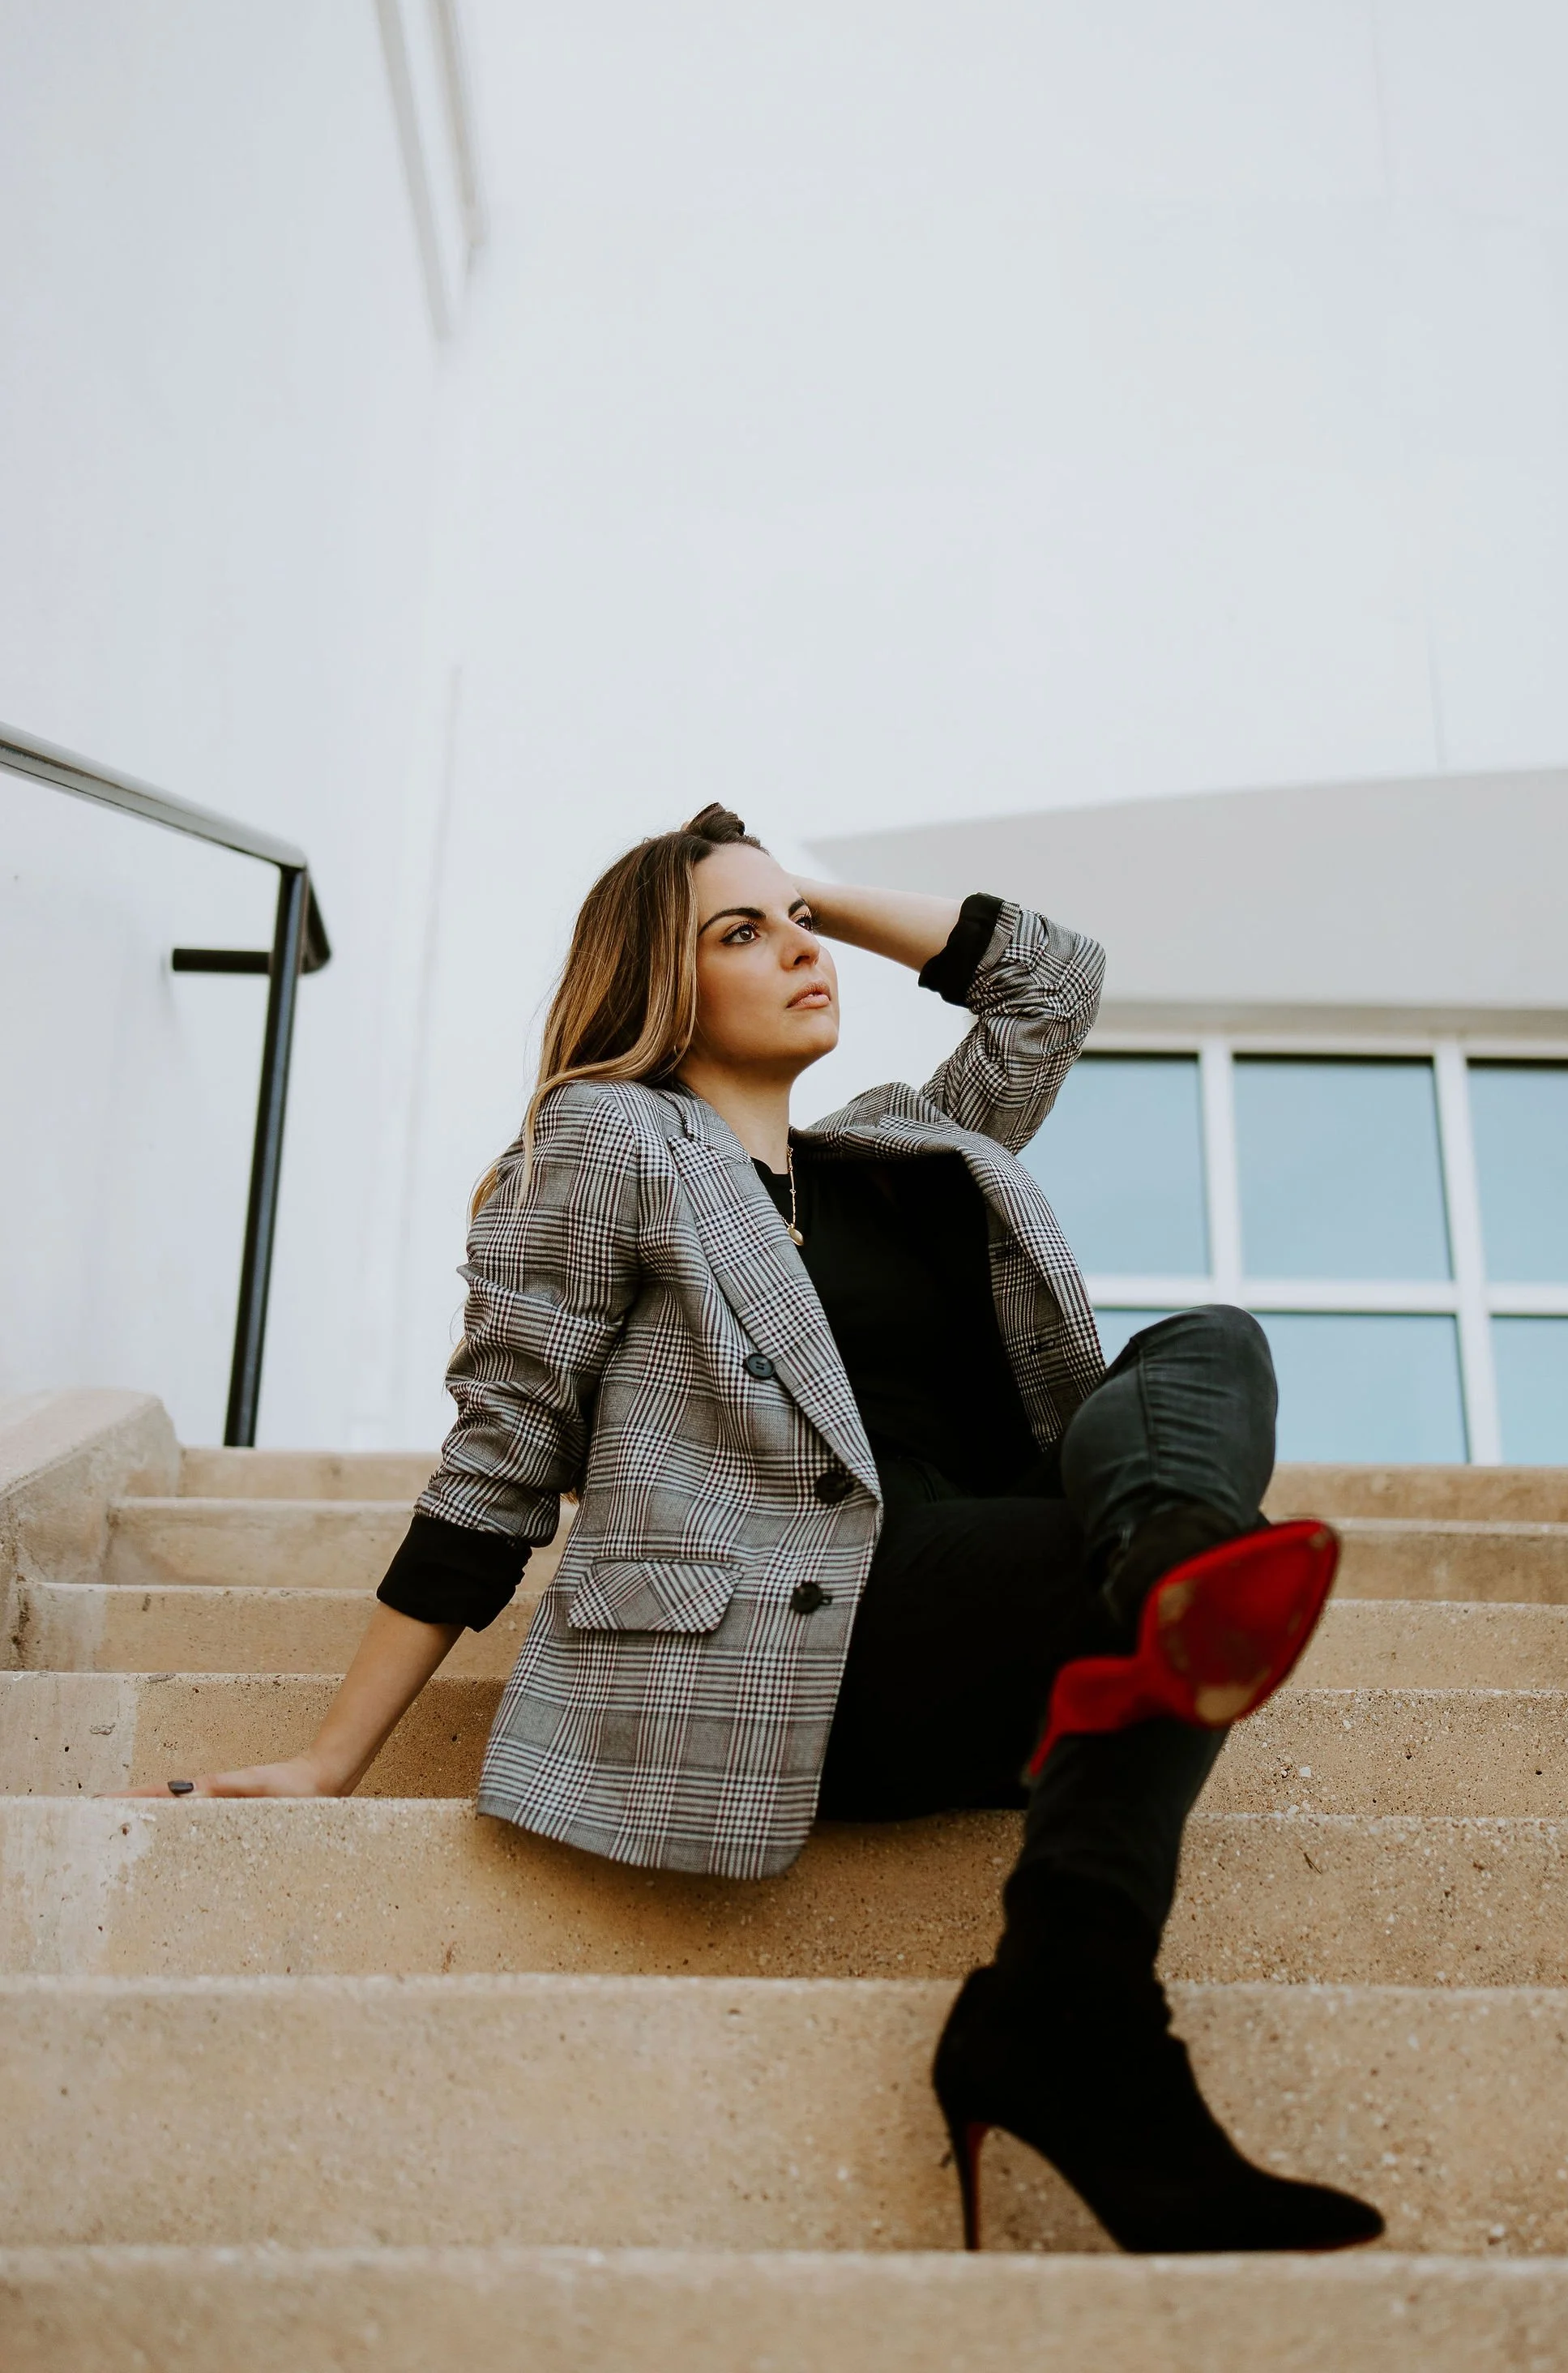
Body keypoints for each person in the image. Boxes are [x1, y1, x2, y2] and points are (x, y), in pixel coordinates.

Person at [136, 802, 1382, 2255]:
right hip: (787, 1645)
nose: (798, 951)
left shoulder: (912, 1149)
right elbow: (501, 1454)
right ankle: (1088, 1978)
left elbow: (1054, 982)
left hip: (986, 1606)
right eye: (745, 935)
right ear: (662, 986)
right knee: (1159, 1579)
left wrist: (807, 893)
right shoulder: (616, 1139)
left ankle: (1084, 1916)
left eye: (797, 925)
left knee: (1208, 1346)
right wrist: (330, 1757)